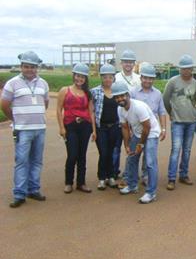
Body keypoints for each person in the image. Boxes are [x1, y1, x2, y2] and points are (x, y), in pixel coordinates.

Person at [1, 51, 49, 208]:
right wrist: (15, 119)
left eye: (33, 67)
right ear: (21, 67)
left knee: (36, 160)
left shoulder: (43, 83)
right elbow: (5, 105)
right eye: (27, 66)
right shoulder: (12, 83)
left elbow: (45, 103)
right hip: (22, 130)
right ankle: (19, 194)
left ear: (37, 68)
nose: (30, 70)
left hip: (40, 129)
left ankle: (33, 189)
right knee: (21, 161)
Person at [112, 82, 161, 203]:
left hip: (151, 133)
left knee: (150, 162)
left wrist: (140, 145)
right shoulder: (120, 110)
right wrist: (127, 145)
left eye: (122, 95)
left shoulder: (139, 106)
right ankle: (132, 185)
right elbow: (124, 128)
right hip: (139, 134)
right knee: (131, 158)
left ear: (128, 95)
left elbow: (147, 127)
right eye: (117, 97)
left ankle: (151, 193)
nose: (120, 99)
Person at [56, 63, 96, 194]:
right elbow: (58, 109)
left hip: (85, 126)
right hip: (70, 126)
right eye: (78, 76)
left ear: (85, 79)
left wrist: (94, 130)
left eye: (83, 77)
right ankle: (68, 182)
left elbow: (91, 112)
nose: (80, 79)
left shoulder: (87, 93)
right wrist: (61, 127)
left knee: (82, 155)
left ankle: (81, 183)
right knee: (72, 155)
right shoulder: (65, 90)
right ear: (74, 76)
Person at [163, 54, 196, 190]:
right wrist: (171, 113)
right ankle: (171, 178)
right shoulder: (173, 81)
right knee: (176, 150)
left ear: (192, 69)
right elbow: (165, 99)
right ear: (180, 69)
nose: (186, 70)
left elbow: (195, 99)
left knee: (187, 150)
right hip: (177, 122)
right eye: (183, 68)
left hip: (191, 121)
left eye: (188, 68)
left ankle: (183, 174)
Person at [130, 62, 167, 186]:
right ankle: (130, 178)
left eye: (150, 78)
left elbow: (161, 112)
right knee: (133, 155)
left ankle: (146, 176)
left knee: (149, 156)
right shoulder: (133, 93)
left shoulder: (157, 94)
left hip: (151, 131)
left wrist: (164, 129)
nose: (148, 80)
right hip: (136, 131)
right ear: (141, 78)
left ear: (154, 79)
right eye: (145, 77)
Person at [91, 63, 120, 190]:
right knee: (103, 152)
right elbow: (91, 111)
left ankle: (111, 176)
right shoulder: (95, 91)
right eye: (105, 77)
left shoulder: (118, 91)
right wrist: (93, 130)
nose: (108, 79)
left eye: (110, 77)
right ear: (101, 78)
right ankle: (102, 178)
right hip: (101, 127)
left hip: (115, 126)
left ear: (114, 77)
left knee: (112, 152)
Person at [113, 49, 140, 181]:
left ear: (134, 64)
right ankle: (114, 172)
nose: (128, 64)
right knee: (119, 146)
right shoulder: (116, 78)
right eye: (125, 62)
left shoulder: (138, 78)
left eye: (130, 62)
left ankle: (130, 171)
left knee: (134, 146)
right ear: (121, 64)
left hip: (135, 118)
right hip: (120, 116)